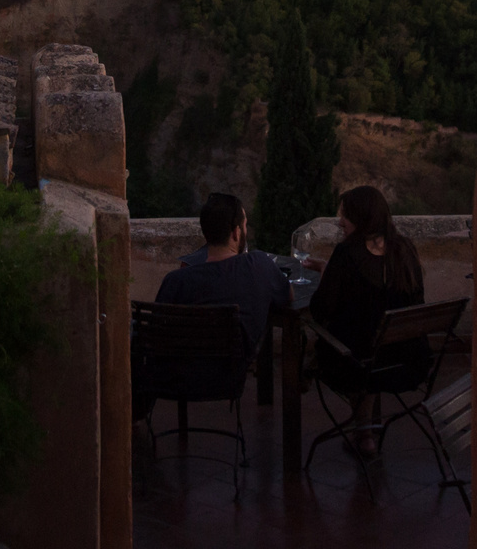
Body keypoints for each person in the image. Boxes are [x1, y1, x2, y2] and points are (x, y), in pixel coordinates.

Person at [135, 194, 291, 419]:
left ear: (205, 232)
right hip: (228, 379)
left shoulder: (177, 281)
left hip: (172, 380)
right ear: (236, 232)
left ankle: (135, 422)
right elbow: (288, 296)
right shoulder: (260, 266)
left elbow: (154, 340)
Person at [305, 185, 427, 456]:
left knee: (347, 346)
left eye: (345, 215)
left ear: (360, 217)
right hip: (409, 361)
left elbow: (320, 309)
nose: (340, 222)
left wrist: (326, 272)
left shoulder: (347, 254)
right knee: (370, 345)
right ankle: (365, 433)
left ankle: (306, 373)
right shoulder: (405, 250)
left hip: (357, 366)